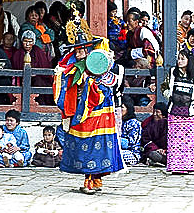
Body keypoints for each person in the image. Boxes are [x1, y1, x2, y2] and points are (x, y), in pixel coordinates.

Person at [54, 14, 124, 194]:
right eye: (76, 51)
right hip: (83, 112)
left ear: (89, 51)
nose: (78, 54)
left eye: (81, 50)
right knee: (85, 143)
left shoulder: (101, 66)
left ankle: (94, 181)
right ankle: (91, 180)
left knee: (98, 143)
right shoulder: (72, 68)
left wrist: (92, 83)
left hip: (101, 111)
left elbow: (111, 85)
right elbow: (66, 88)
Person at [161, 49, 194, 174]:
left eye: (183, 59)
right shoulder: (173, 72)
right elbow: (164, 86)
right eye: (178, 58)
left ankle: (190, 165)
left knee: (189, 140)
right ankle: (176, 166)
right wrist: (169, 94)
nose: (180, 61)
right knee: (175, 140)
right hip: (174, 111)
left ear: (189, 60)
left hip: (189, 111)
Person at [119, 98, 142, 165]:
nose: (119, 110)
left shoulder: (133, 123)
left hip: (132, 153)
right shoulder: (120, 121)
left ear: (128, 109)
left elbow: (130, 143)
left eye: (122, 107)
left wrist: (115, 140)